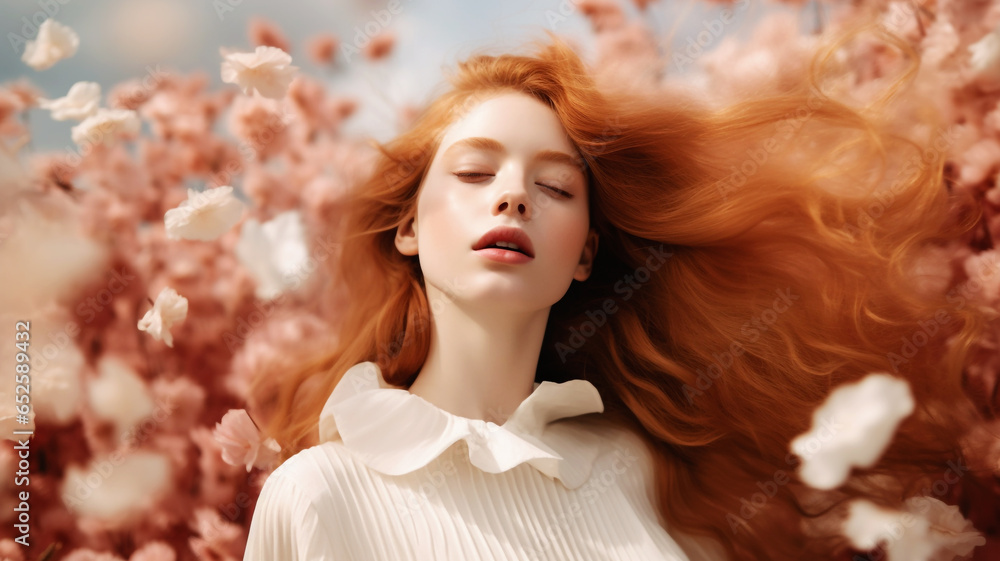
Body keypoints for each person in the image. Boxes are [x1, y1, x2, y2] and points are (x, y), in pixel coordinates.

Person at [244, 26, 990, 561]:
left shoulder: (635, 468)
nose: (513, 198)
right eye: (475, 173)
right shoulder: (319, 495)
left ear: (585, 256)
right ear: (407, 227)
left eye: (555, 186)